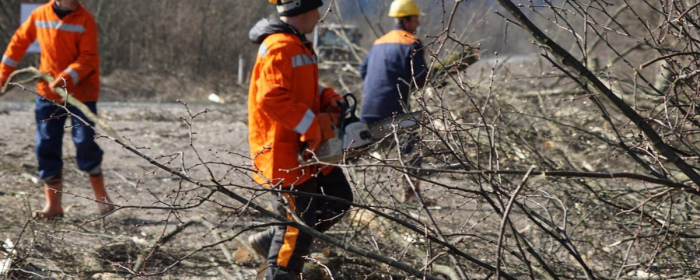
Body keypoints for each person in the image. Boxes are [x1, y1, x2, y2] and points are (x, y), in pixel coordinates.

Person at [246, 0, 354, 278]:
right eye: (317, 9)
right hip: (284, 154)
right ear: (305, 9)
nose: (319, 16)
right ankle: (280, 270)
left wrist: (327, 97)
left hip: (305, 151)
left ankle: (273, 238)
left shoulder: (297, 43)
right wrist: (312, 127)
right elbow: (271, 97)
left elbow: (300, 87)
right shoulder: (282, 45)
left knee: (338, 199)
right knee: (296, 229)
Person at [0, 0, 114, 219]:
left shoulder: (85, 20)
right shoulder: (39, 15)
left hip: (81, 94)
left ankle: (101, 197)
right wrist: (3, 74)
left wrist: (67, 78)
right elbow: (18, 43)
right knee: (46, 145)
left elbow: (88, 58)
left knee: (84, 142)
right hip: (48, 93)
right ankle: (53, 205)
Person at [359, 0, 428, 203]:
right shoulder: (412, 42)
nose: (417, 24)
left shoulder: (379, 41)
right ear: (406, 20)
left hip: (368, 109)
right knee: (412, 147)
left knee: (355, 151)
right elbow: (421, 77)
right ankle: (411, 194)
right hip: (394, 110)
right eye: (416, 19)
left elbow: (363, 71)